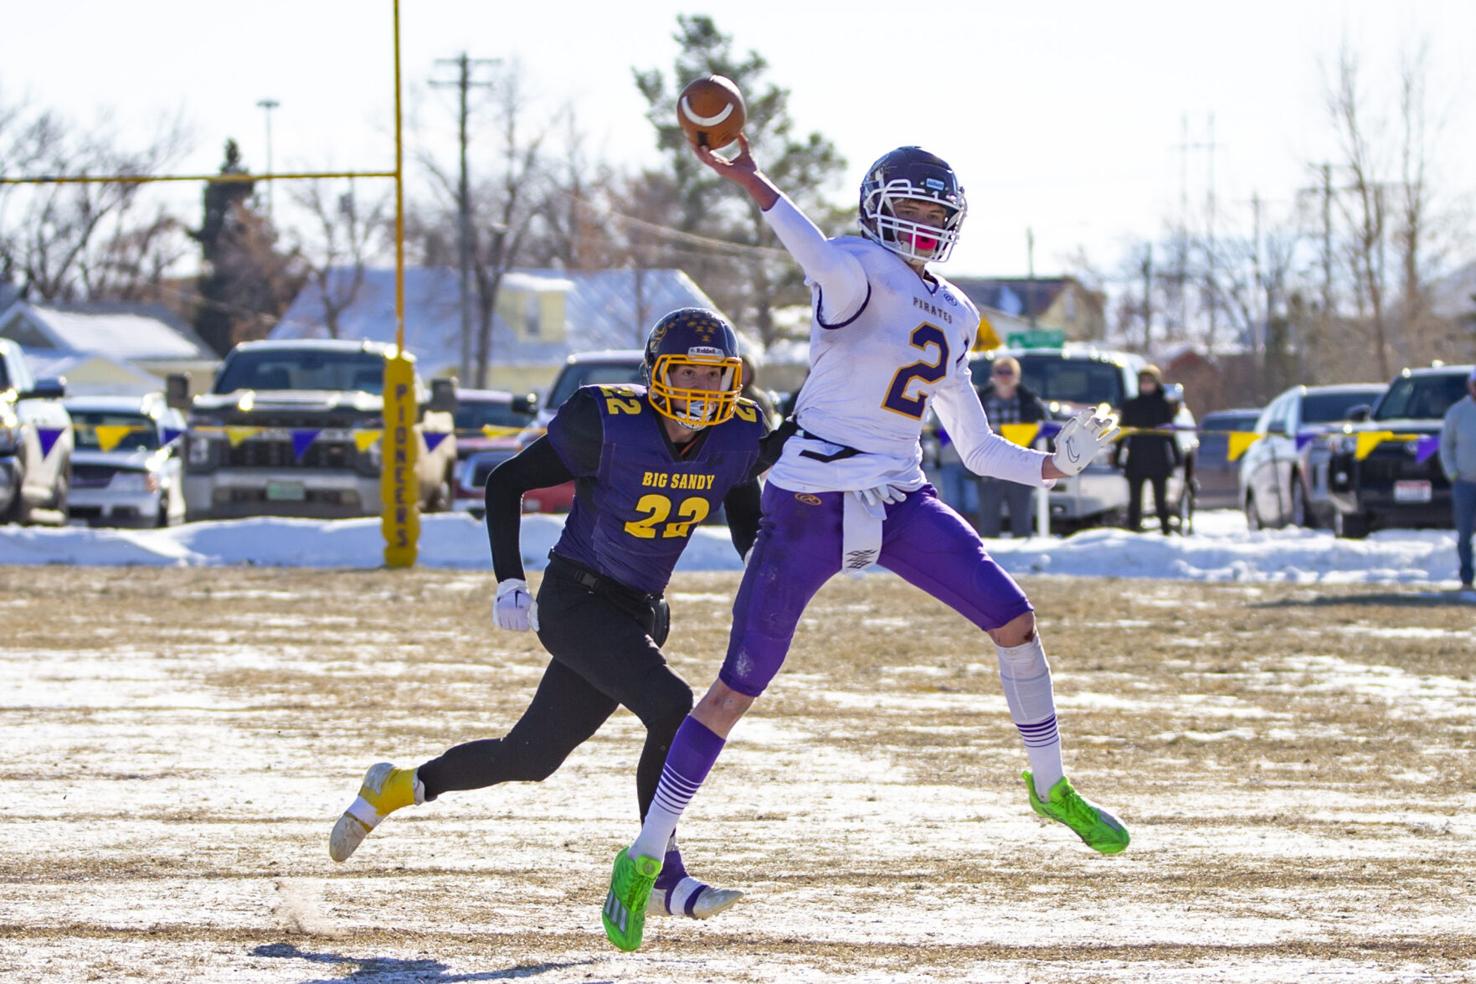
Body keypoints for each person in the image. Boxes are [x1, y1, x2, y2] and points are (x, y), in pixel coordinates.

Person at [600, 140, 1128, 953]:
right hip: (808, 502)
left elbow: (980, 449)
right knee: (736, 688)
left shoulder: (954, 310)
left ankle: (1052, 786)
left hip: (900, 498)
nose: (920, 223)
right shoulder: (852, 268)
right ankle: (644, 856)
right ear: (878, 205)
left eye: (933, 212)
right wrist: (748, 175)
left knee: (1015, 621)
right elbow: (809, 248)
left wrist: (1056, 465)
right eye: (909, 207)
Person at [329, 307, 781, 923]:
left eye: (715, 377)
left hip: (638, 612)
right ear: (656, 375)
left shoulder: (735, 438)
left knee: (531, 757)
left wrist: (764, 561)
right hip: (577, 599)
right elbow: (504, 482)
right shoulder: (607, 423)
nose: (703, 392)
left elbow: (743, 509)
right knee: (674, 706)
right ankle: (659, 872)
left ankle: (399, 786)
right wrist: (509, 579)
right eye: (689, 375)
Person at [976, 355, 1049, 537]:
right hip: (989, 467)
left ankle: (1023, 560)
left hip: (1019, 466)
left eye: (1009, 372)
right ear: (993, 375)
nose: (1004, 376)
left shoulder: (1029, 401)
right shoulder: (979, 400)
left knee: (1022, 522)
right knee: (988, 524)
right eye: (1000, 372)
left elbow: (1044, 428)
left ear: (1017, 375)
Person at [1114, 365, 1181, 534]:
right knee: (1134, 502)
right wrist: (1117, 456)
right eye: (1142, 381)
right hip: (1136, 459)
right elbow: (1122, 433)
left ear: (1156, 383)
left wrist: (1177, 457)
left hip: (1158, 459)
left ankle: (1165, 532)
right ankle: (1133, 532)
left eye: (1149, 381)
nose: (1145, 384)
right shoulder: (1131, 405)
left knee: (1160, 501)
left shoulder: (1164, 405)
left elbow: (1170, 434)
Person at [1440, 366, 1476, 597]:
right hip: (1464, 483)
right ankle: (1466, 577)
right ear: (1470, 386)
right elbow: (1445, 446)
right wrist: (1453, 473)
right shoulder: (1457, 412)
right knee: (1464, 534)